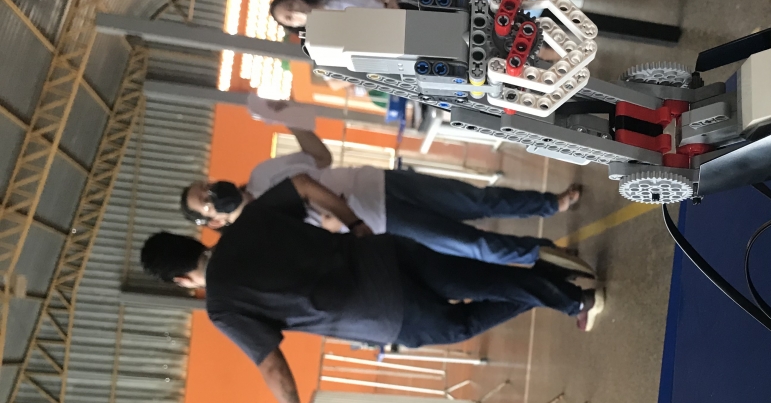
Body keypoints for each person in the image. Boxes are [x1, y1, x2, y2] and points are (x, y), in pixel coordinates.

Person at [143, 178, 603, 403]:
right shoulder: (247, 224)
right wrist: (355, 223)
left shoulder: (223, 306)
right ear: (193, 240)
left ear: (181, 280)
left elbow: (271, 365)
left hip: (380, 312)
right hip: (382, 253)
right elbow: (303, 185)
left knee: (461, 322)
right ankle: (561, 289)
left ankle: (568, 295)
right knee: (472, 278)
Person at [180, 115, 592, 273]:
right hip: (381, 221)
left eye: (207, 186)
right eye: (207, 200)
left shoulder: (261, 171)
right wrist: (333, 226)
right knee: (472, 244)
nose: (214, 192)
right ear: (212, 221)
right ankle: (548, 255)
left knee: (474, 200)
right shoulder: (259, 232)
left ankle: (549, 203)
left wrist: (290, 118)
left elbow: (320, 158)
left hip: (380, 181)